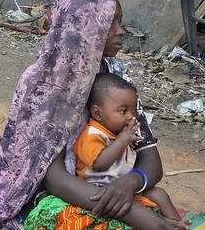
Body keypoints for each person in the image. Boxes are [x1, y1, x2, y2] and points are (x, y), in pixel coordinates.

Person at [0, 0, 190, 230]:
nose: (121, 31)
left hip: (104, 187)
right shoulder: (43, 84)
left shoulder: (115, 79)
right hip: (48, 196)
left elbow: (150, 159)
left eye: (120, 22)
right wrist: (134, 213)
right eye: (111, 22)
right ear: (84, 26)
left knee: (156, 207)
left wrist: (131, 182)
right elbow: (54, 179)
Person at [74, 73, 181, 223]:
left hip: (124, 188)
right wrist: (122, 140)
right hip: (99, 191)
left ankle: (177, 224)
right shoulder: (92, 134)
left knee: (158, 194)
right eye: (123, 111)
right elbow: (99, 163)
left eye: (134, 111)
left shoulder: (120, 133)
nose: (132, 117)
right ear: (97, 113)